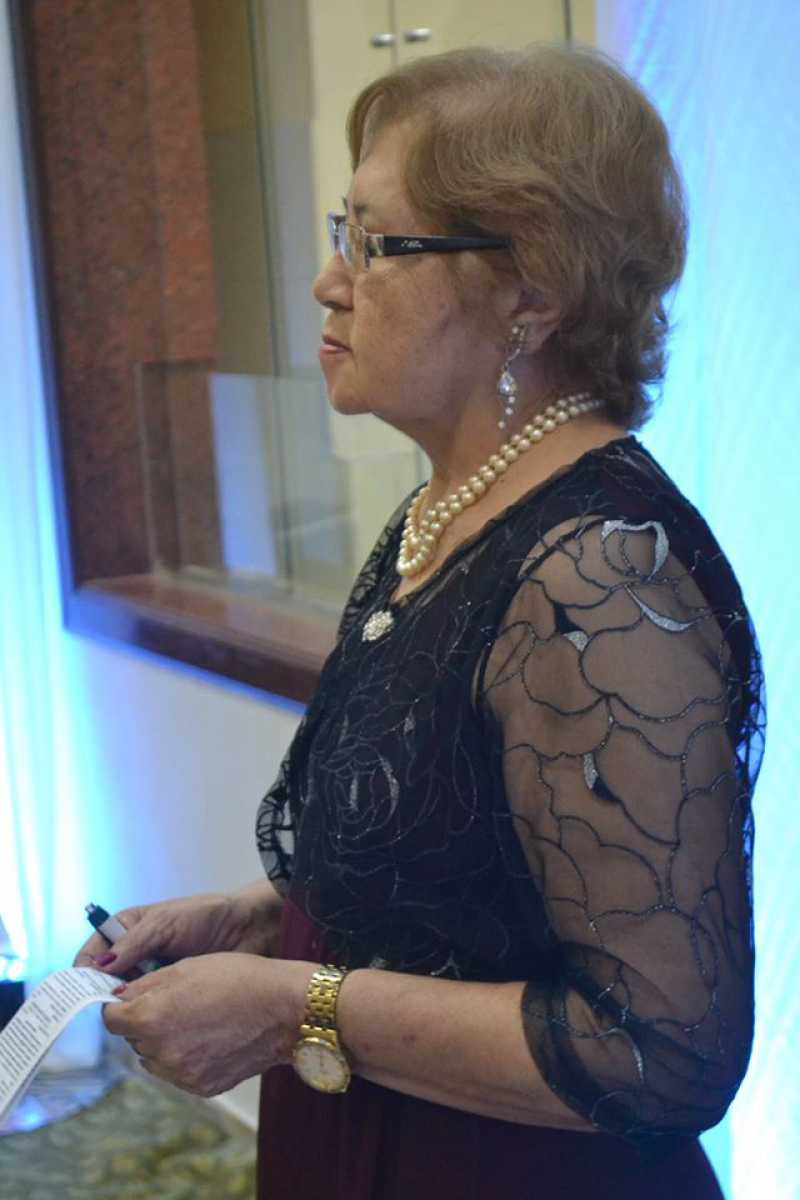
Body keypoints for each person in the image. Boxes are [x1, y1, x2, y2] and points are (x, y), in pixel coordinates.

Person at [75, 43, 764, 1199]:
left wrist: (295, 1004)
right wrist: (259, 923)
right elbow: (469, 878)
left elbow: (658, 1053)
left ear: (531, 290)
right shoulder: (441, 510)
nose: (327, 281)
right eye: (337, 233)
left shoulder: (599, 577)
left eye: (374, 244)